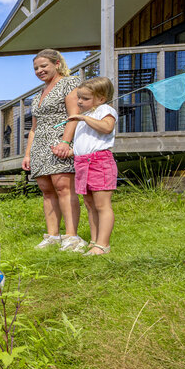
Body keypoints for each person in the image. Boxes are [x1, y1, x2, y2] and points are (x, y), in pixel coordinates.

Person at [22, 49, 84, 251]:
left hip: (59, 141)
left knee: (63, 187)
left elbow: (73, 115)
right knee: (47, 191)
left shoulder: (69, 83)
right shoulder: (38, 94)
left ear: (57, 64)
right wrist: (28, 153)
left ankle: (72, 236)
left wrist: (66, 142)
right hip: (40, 145)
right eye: (36, 68)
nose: (39, 71)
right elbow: (33, 128)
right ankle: (52, 236)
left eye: (43, 66)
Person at [64, 77, 117, 255]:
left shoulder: (105, 110)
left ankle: (103, 244)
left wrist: (83, 118)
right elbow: (86, 141)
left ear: (101, 98)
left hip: (99, 162)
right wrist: (71, 151)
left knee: (102, 205)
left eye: (85, 98)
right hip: (82, 163)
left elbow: (107, 128)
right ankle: (94, 241)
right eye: (79, 97)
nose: (79, 101)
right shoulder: (85, 117)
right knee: (89, 204)